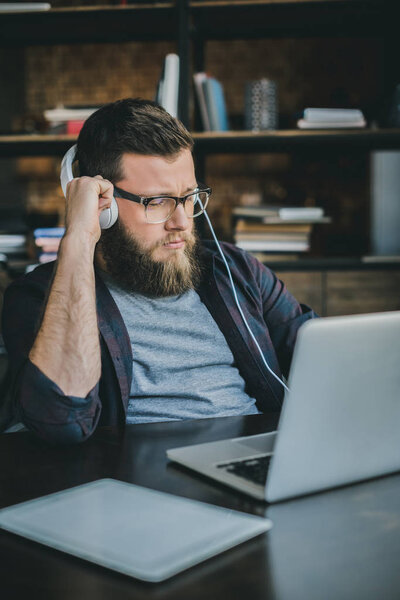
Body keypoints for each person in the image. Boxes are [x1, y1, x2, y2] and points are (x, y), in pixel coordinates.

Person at [1, 98, 317, 443]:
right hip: (140, 479)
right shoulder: (40, 297)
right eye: (158, 201)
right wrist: (78, 238)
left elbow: (326, 360)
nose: (182, 222)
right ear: (102, 204)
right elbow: (61, 420)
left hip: (251, 463)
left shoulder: (236, 271)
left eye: (189, 196)